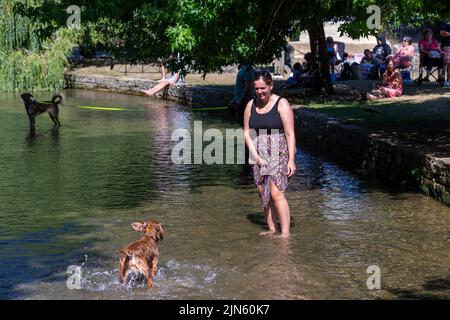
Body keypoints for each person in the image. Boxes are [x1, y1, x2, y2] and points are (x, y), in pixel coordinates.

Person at [243, 69, 296, 238]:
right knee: (262, 192)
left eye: (262, 88)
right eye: (256, 88)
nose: (259, 92)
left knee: (276, 192)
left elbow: (290, 133)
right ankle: (272, 229)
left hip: (278, 150)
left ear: (271, 86)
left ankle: (285, 234)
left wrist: (292, 160)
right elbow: (246, 133)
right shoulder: (251, 105)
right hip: (257, 152)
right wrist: (255, 156)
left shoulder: (282, 103)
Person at [440, 20, 450, 85]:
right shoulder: (445, 24)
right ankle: (443, 80)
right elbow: (442, 33)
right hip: (446, 46)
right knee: (444, 63)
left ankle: (448, 80)